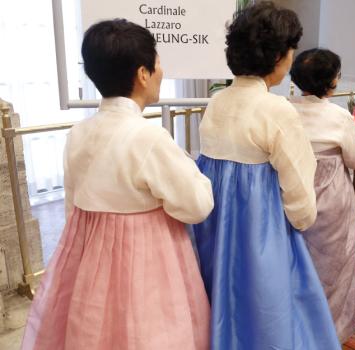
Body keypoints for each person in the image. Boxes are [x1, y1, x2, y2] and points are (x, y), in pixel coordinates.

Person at [21, 19, 213, 350]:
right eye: (157, 64)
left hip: (91, 262)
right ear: (142, 74)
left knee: (97, 330)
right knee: (152, 331)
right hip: (152, 261)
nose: (160, 71)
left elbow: (73, 206)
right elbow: (197, 206)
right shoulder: (149, 137)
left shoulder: (78, 135)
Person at [192, 3, 339, 349]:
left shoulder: (217, 101)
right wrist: (302, 220)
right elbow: (299, 191)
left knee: (219, 294)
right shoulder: (276, 110)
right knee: (266, 306)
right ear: (277, 57)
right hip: (261, 226)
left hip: (214, 225)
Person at [288, 48, 355, 342]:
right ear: (332, 81)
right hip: (331, 197)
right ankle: (329, 331)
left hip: (290, 193)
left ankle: (293, 326)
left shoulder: (283, 109)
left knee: (292, 263)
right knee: (334, 266)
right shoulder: (339, 116)